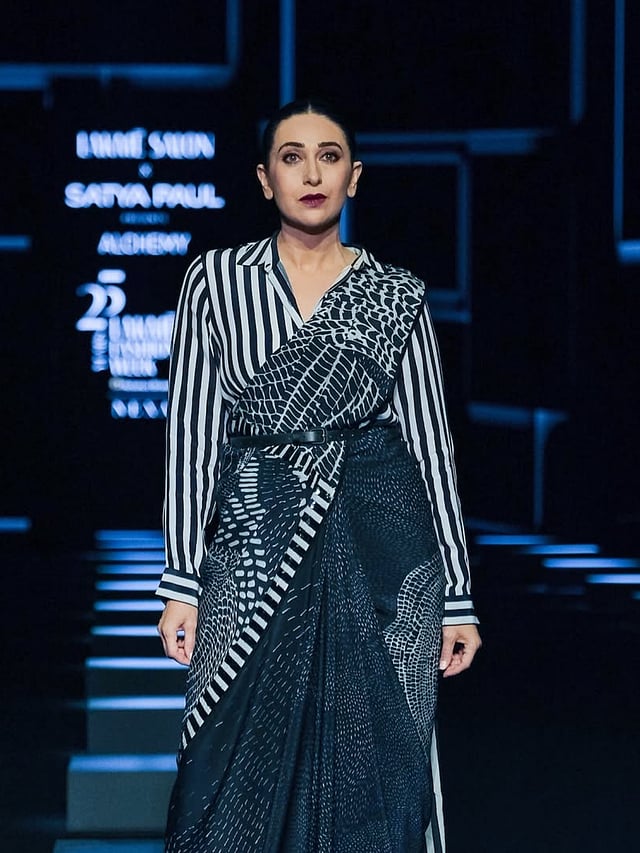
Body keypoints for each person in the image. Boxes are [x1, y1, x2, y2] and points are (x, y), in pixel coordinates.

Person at [156, 98, 481, 853]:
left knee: (380, 762)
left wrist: (458, 597)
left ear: (354, 177)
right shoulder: (214, 282)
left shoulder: (395, 294)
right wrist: (182, 584)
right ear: (264, 178)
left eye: (329, 157)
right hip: (253, 540)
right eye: (292, 157)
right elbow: (192, 439)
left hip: (382, 548)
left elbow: (430, 446)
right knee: (226, 761)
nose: (312, 174)